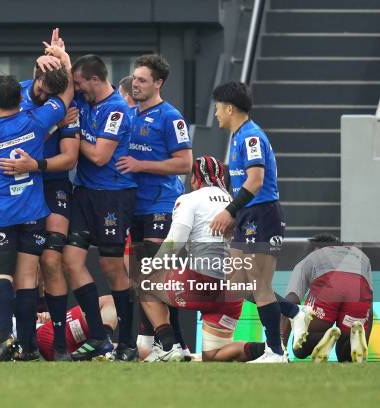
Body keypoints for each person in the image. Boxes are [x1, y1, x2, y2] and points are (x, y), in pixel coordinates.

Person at [0, 48, 74, 361]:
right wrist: (65, 61)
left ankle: (6, 338)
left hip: (0, 214)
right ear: (23, 96)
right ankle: (28, 347)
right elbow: (66, 95)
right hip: (32, 212)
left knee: (1, 278)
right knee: (28, 278)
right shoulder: (37, 122)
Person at [209, 81, 312, 363]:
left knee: (259, 283)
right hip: (248, 216)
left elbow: (255, 181)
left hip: (262, 215)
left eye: (218, 107)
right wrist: (236, 216)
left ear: (229, 108)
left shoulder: (251, 137)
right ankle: (294, 312)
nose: (216, 113)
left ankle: (275, 352)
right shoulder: (239, 136)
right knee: (236, 283)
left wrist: (229, 211)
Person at [0, 30, 80, 359]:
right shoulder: (12, 96)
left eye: (54, 92)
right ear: (35, 76)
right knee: (21, 266)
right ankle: (23, 340)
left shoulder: (63, 104)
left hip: (50, 180)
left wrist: (36, 164)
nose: (46, 95)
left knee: (51, 258)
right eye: (43, 88)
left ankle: (59, 341)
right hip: (17, 185)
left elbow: (71, 157)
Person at [140, 156, 270, 362]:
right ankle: (269, 350)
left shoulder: (190, 199)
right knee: (213, 356)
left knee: (145, 283)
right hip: (233, 288)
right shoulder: (235, 202)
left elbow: (176, 241)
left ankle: (167, 347)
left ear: (194, 180)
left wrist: (153, 266)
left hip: (203, 282)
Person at [61, 51, 138, 361]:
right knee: (71, 259)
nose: (76, 89)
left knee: (111, 266)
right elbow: (65, 91)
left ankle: (128, 342)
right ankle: (98, 336)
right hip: (84, 193)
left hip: (113, 196)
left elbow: (99, 156)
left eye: (80, 83)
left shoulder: (117, 109)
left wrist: (74, 133)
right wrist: (63, 59)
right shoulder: (84, 100)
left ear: (95, 79)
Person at [118, 54, 193, 357]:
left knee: (150, 276)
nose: (135, 84)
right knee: (145, 279)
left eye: (142, 80)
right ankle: (173, 345)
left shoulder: (170, 117)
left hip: (160, 204)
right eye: (134, 79)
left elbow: (185, 163)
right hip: (134, 207)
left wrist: (141, 164)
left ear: (158, 83)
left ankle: (171, 343)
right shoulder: (129, 114)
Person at [281, 234, 373, 363]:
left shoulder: (310, 257)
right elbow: (369, 307)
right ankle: (355, 340)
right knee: (346, 356)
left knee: (299, 348)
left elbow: (291, 300)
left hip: (329, 286)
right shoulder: (361, 256)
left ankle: (323, 336)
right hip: (359, 287)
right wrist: (365, 344)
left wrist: (280, 349)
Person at [36, 296, 117, 361]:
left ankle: (100, 348)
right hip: (46, 334)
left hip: (60, 348)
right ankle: (105, 339)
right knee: (109, 301)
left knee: (111, 346)